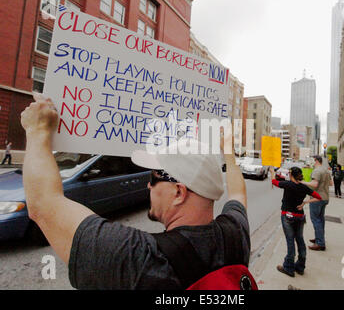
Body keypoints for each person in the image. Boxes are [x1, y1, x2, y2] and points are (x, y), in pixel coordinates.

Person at [20, 94, 250, 289]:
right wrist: (228, 152)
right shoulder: (236, 235)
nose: (148, 185)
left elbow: (43, 204)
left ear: (179, 192)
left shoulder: (140, 258)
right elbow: (238, 195)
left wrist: (38, 129)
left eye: (154, 178)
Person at [270, 167, 322, 277]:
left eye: (289, 173)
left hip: (287, 216)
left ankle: (289, 268)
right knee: (300, 240)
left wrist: (271, 172)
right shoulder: (304, 187)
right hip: (300, 217)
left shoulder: (288, 184)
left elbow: (274, 181)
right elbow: (318, 197)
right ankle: (300, 267)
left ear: (291, 174)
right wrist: (305, 203)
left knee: (290, 241)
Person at [301, 155, 333, 251]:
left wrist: (303, 182)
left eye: (312, 160)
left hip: (317, 198)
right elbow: (331, 183)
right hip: (325, 198)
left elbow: (314, 184)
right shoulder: (326, 170)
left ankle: (320, 243)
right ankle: (319, 238)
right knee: (320, 219)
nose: (310, 162)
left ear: (316, 161)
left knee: (316, 220)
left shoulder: (317, 171)